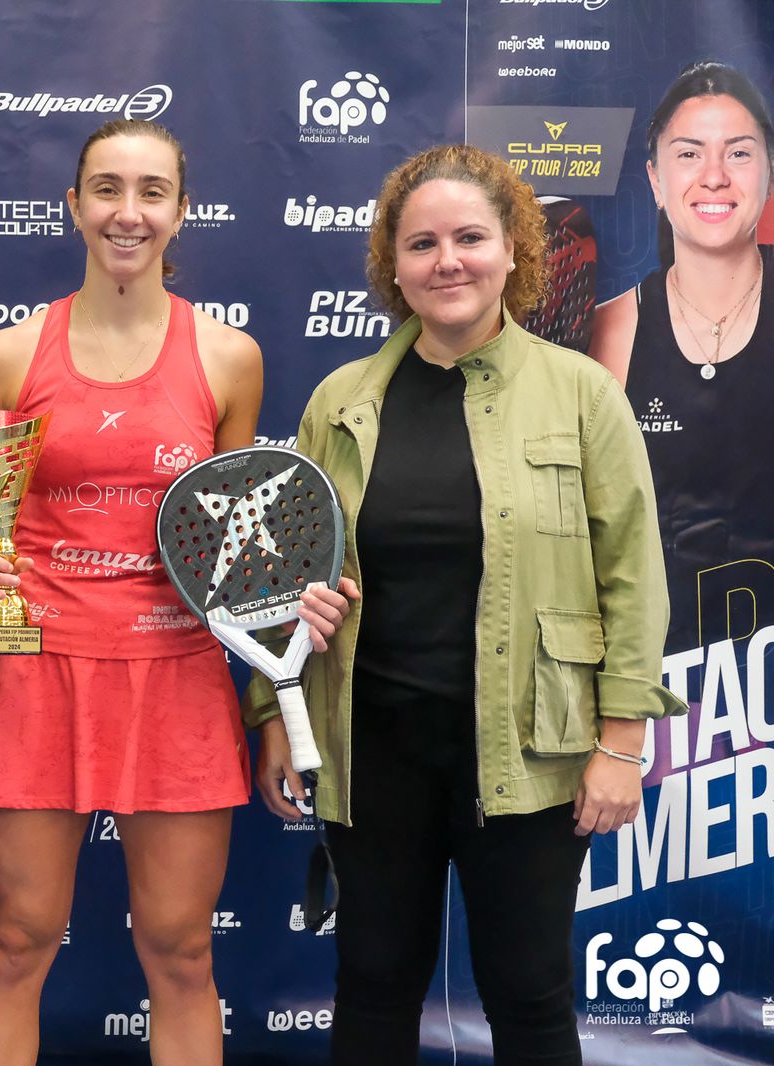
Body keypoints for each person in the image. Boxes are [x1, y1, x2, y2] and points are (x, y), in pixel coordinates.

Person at [251, 143, 686, 1066]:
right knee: (372, 990)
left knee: (528, 997)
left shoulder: (582, 393)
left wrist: (622, 743)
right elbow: (285, 577)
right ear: (393, 264)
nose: (447, 261)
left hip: (532, 750)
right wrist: (277, 714)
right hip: (373, 749)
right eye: (422, 244)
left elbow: (633, 575)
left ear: (513, 249)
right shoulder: (340, 402)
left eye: (470, 238)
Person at [0, 119, 264, 1066]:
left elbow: (233, 541)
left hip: (177, 675)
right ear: (74, 206)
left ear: (181, 211)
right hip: (34, 675)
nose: (129, 212)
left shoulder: (229, 358)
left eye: (152, 192)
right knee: (17, 942)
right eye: (108, 189)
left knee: (181, 950)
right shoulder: (7, 357)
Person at [589, 60, 774, 658]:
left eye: (739, 153)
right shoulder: (609, 331)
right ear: (655, 179)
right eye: (689, 154)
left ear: (769, 172)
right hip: (656, 684)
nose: (714, 177)